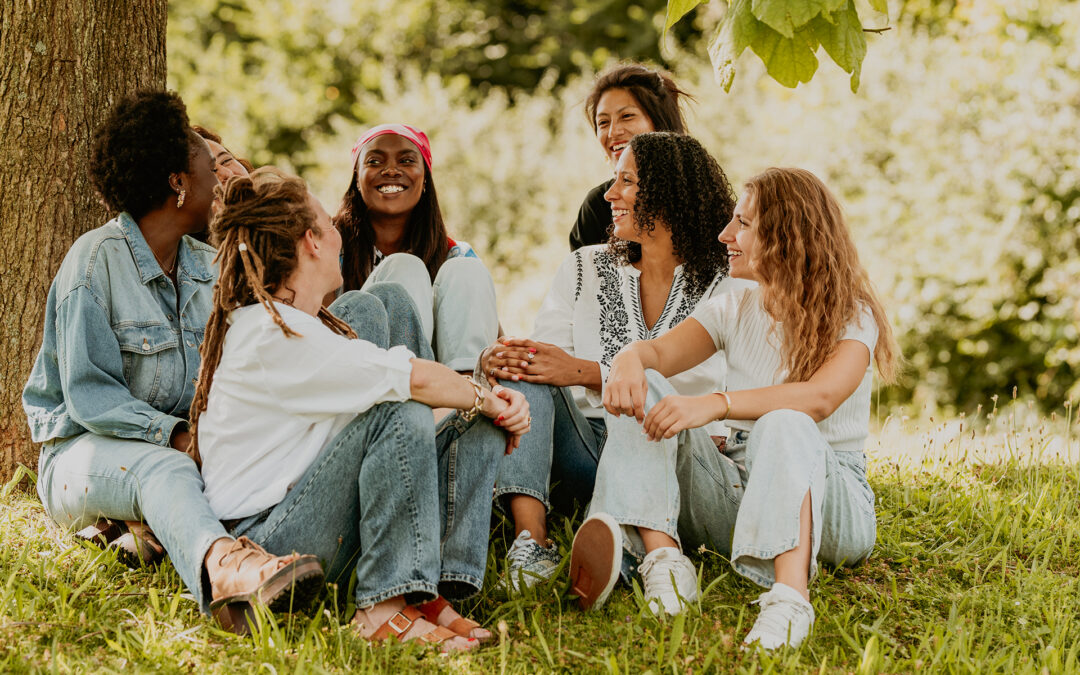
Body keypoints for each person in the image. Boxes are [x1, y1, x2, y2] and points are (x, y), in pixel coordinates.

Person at [190, 167, 531, 652]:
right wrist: (490, 398)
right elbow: (411, 383)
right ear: (311, 241)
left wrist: (483, 409)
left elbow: (405, 429)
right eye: (328, 225)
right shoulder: (278, 335)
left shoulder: (297, 325)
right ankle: (382, 608)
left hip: (303, 506)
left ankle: (425, 590)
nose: (337, 235)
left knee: (450, 407)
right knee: (406, 407)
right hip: (271, 542)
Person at [22, 90, 320, 632]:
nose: (220, 177)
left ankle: (145, 533)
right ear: (178, 182)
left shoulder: (209, 267)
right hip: (82, 457)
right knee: (167, 466)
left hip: (188, 452)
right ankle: (225, 573)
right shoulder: (93, 262)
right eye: (210, 166)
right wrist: (183, 439)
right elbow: (91, 397)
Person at [571, 168, 900, 650]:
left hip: (833, 503)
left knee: (786, 420)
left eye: (742, 224)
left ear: (788, 234)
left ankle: (789, 601)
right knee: (649, 387)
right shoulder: (735, 307)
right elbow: (658, 354)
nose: (726, 235)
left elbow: (819, 398)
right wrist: (628, 360)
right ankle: (664, 563)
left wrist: (716, 405)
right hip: (743, 491)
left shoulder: (854, 313)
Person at [480, 132, 747, 591]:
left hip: (675, 453)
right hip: (586, 446)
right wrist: (502, 356)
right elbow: (549, 360)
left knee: (637, 397)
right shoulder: (584, 266)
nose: (610, 194)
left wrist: (587, 371)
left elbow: (703, 388)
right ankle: (531, 543)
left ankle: (637, 548)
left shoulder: (730, 284)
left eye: (627, 181)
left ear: (669, 194)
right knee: (526, 367)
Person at [334, 123, 497, 372]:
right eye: (375, 162)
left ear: (425, 180)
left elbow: (490, 334)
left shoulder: (453, 254)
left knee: (467, 269)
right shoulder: (330, 244)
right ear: (357, 178)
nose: (390, 170)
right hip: (362, 374)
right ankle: (410, 391)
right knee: (404, 266)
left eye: (407, 161)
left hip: (447, 386)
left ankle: (466, 393)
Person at [569, 63, 692, 250]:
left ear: (660, 123)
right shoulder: (598, 206)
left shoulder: (701, 195)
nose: (613, 132)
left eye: (626, 116)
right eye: (603, 122)